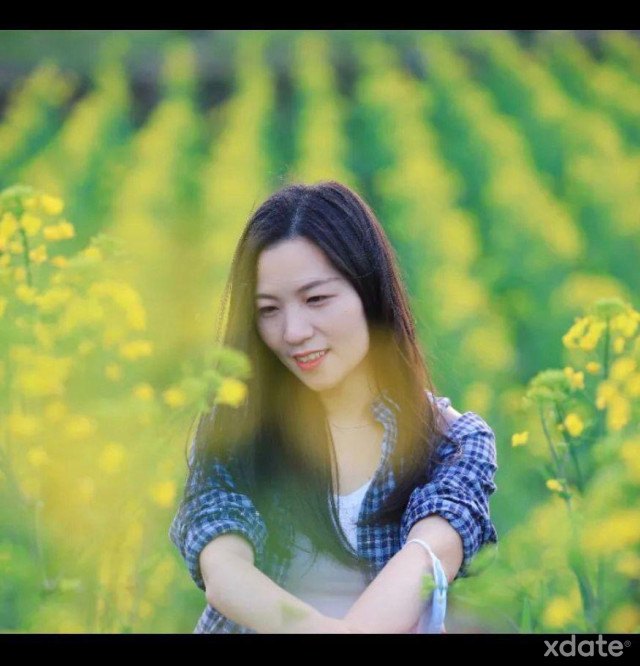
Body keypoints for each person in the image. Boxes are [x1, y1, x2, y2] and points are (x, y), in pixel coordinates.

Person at [169, 180, 498, 634]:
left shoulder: (452, 443)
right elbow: (224, 574)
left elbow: (429, 556)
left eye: (316, 299)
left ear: (370, 294)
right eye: (268, 309)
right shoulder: (233, 428)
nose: (293, 332)